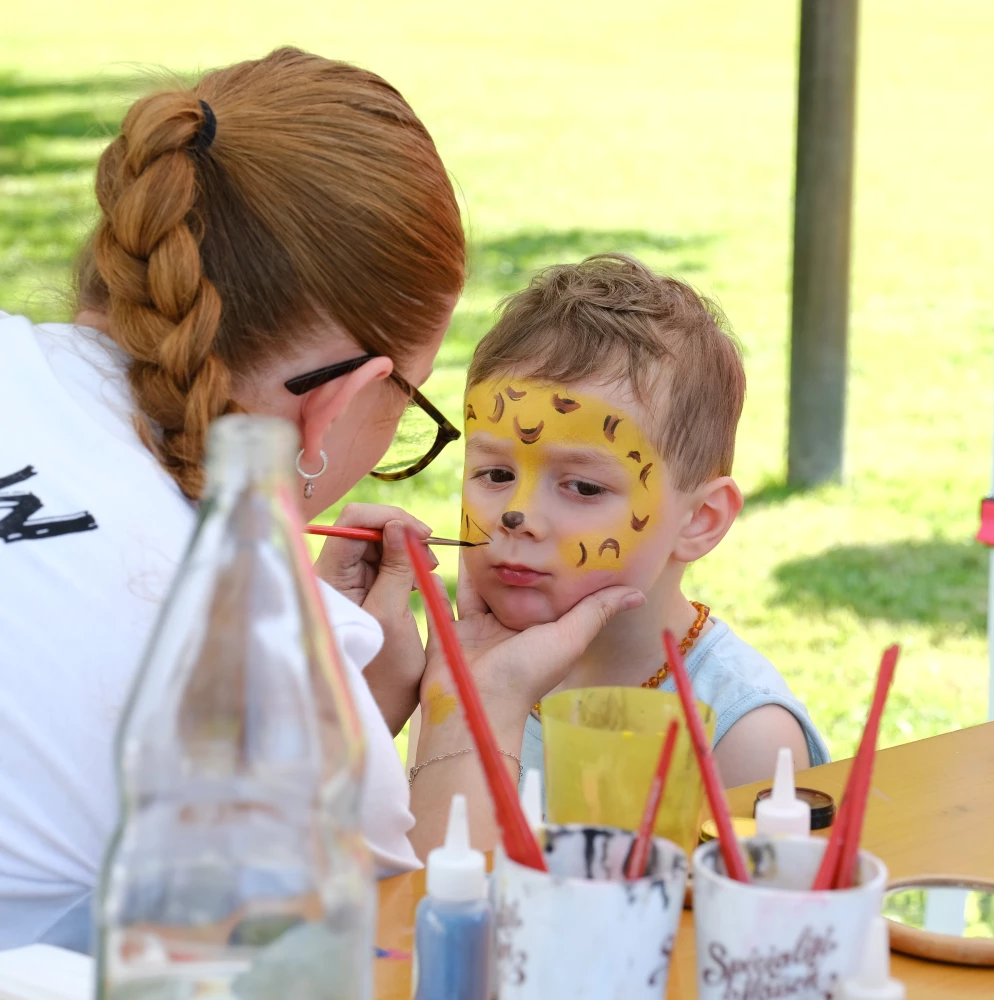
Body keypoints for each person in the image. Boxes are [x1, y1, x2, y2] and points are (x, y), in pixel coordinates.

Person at [0, 49, 643, 951]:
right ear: (338, 402)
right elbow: (410, 955)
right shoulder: (276, 674)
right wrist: (472, 701)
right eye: (410, 403)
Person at [457, 253, 830, 798]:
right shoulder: (460, 677)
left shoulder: (743, 739)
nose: (518, 517)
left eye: (583, 487)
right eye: (495, 474)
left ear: (699, 521)